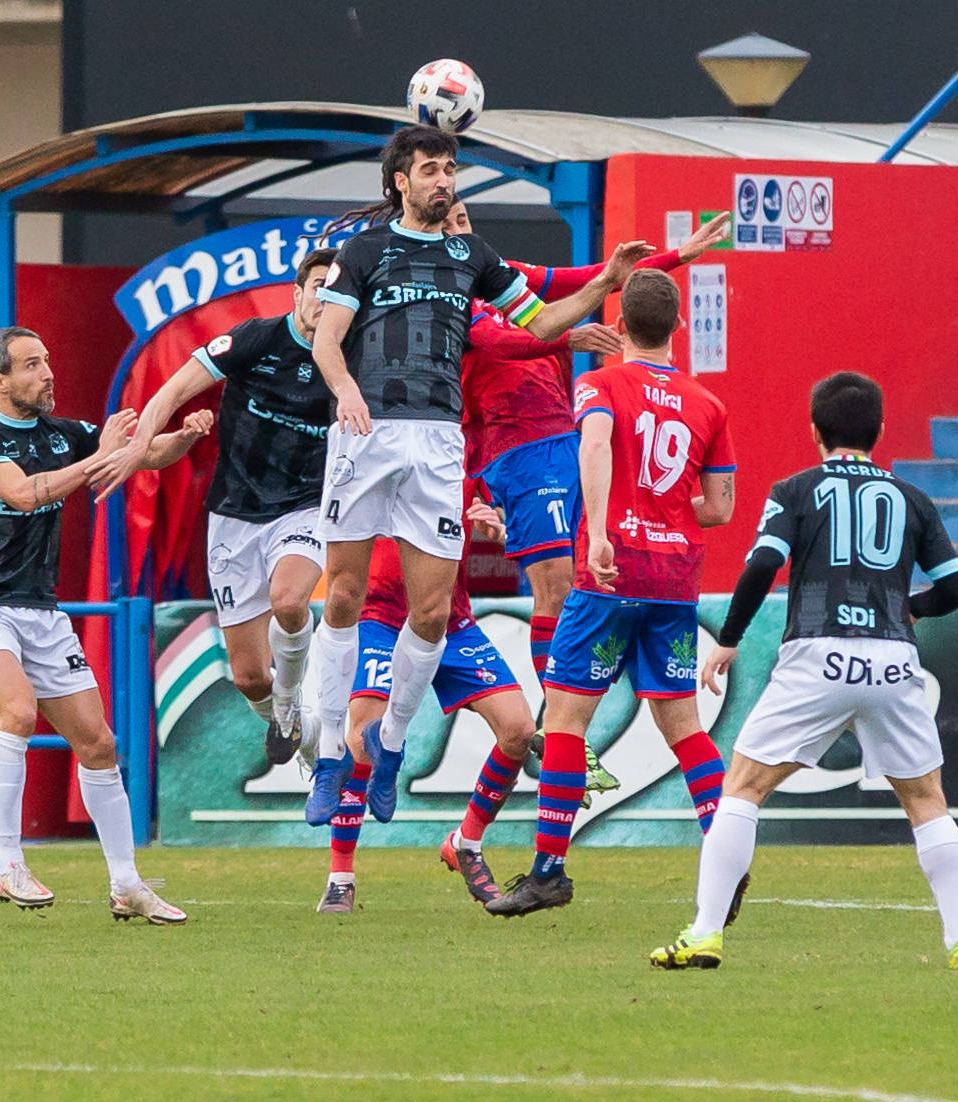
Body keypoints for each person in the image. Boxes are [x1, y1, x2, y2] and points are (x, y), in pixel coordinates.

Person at [308, 124, 652, 828]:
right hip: (366, 434)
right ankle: (327, 760)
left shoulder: (473, 254)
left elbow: (540, 320)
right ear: (399, 182)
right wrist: (343, 387)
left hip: (437, 443)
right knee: (342, 596)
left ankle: (392, 747)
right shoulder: (364, 251)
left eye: (449, 168)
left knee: (430, 612)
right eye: (430, 170)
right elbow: (326, 337)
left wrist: (607, 283)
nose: (444, 180)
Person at [651, 372, 958, 971]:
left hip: (818, 653)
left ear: (813, 431)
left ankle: (705, 932)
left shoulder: (796, 490)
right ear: (879, 431)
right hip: (891, 657)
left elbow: (761, 567)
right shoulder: (913, 498)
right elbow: (957, 589)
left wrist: (729, 639)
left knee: (744, 788)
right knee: (927, 801)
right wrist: (910, 606)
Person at [486, 269, 737, 918]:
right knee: (684, 727)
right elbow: (718, 507)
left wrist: (600, 527)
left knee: (566, 718)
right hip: (676, 579)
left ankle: (548, 871)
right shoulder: (707, 405)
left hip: (609, 571)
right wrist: (666, 507)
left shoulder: (599, 383)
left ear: (619, 328)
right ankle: (726, 860)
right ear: (678, 327)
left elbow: (594, 443)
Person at [0, 326, 209, 922]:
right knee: (16, 712)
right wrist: (99, 456)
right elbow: (27, 494)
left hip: (41, 609)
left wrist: (181, 441)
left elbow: (142, 452)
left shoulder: (64, 435)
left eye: (48, 359)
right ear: (0, 381)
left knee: (98, 743)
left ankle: (127, 884)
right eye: (32, 365)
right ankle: (9, 863)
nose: (48, 373)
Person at [448, 200, 730, 689]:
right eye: (448, 224)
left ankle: (562, 731)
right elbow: (504, 345)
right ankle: (557, 726)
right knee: (556, 588)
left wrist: (677, 257)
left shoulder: (505, 275)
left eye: (464, 219)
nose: (460, 230)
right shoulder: (448, 298)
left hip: (559, 440)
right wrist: (568, 338)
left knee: (580, 585)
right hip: (516, 450)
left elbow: (595, 276)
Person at [87, 248, 338, 767]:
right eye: (318, 285)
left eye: (337, 288)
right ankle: (303, 731)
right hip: (234, 514)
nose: (326, 297)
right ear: (297, 294)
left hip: (305, 507)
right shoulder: (255, 338)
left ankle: (291, 710)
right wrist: (138, 448)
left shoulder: (351, 354)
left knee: (291, 601)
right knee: (248, 677)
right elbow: (175, 387)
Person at [314, 493, 536, 914]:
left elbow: (505, 512)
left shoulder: (460, 447)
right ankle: (340, 876)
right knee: (363, 741)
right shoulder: (373, 443)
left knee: (519, 730)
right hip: (381, 616)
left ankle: (466, 842)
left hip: (450, 619)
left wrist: (501, 523)